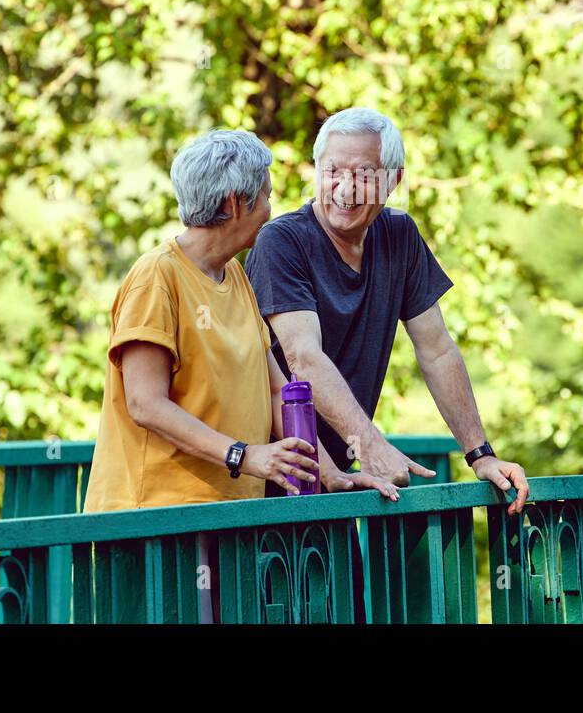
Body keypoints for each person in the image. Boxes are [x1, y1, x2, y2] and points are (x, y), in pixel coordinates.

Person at [84, 129, 396, 620]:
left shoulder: (236, 278)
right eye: (267, 194)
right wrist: (244, 455)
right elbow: (145, 402)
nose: (273, 205)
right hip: (157, 522)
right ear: (236, 202)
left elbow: (277, 387)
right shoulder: (156, 277)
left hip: (226, 517)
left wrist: (328, 474)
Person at [245, 107, 530, 515]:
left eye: (362, 175)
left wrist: (481, 455)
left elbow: (436, 350)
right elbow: (302, 358)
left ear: (393, 181)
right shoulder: (282, 242)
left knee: (350, 582)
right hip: (268, 487)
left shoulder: (399, 235)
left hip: (337, 484)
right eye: (332, 171)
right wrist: (370, 445)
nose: (344, 189)